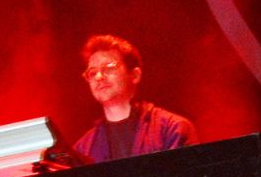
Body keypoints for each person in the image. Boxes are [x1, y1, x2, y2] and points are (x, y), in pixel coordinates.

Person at [71, 34, 197, 163]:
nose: (99, 77)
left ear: (135, 75)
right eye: (92, 72)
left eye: (108, 68)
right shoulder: (82, 150)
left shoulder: (173, 129)